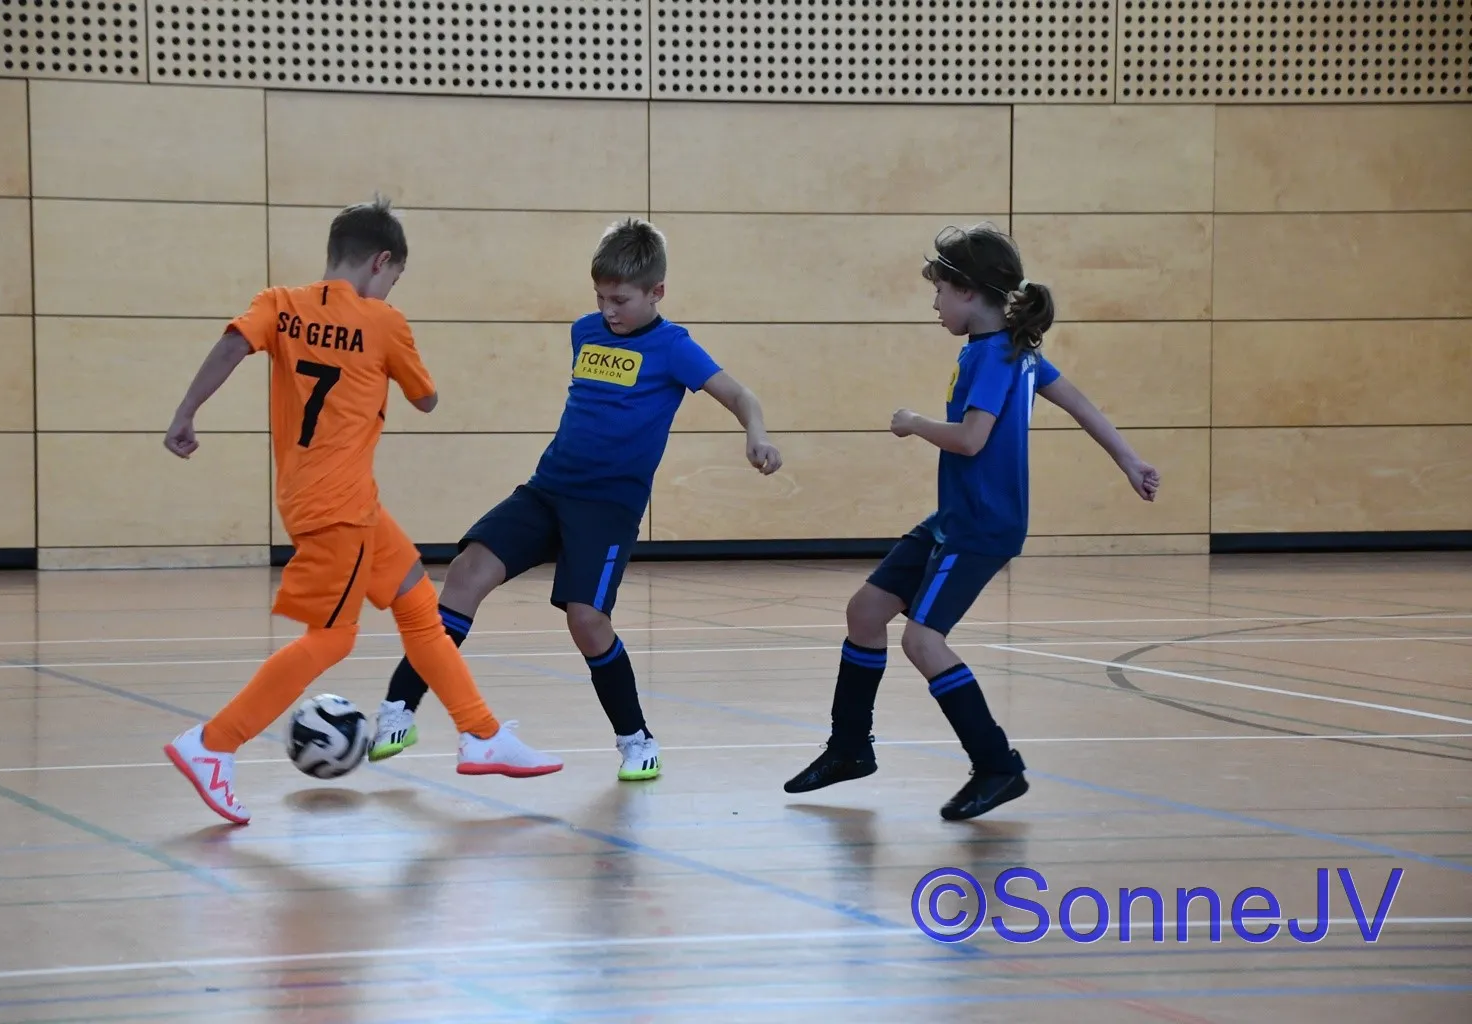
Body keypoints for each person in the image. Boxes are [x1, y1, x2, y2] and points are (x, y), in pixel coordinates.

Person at [161, 198, 562, 825]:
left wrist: (186, 413)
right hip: (339, 507)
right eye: (395, 276)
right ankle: (213, 743)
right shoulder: (383, 321)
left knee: (419, 608)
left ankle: (481, 734)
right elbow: (426, 399)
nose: (392, 287)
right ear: (381, 262)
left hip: (326, 499)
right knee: (331, 638)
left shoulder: (278, 303)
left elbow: (231, 345)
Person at [369, 217, 783, 782]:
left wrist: (756, 433)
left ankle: (637, 740)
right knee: (465, 573)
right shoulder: (585, 333)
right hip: (549, 489)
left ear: (657, 292)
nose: (609, 310)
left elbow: (739, 394)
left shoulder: (674, 348)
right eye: (600, 297)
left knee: (587, 620)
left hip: (608, 507)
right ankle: (399, 708)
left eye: (621, 300)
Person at [783, 223, 1160, 821]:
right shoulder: (1012, 349)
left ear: (967, 291)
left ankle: (997, 765)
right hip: (955, 517)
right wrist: (1129, 460)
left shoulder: (994, 355)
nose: (934, 304)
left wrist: (914, 423)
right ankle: (849, 748)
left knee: (923, 640)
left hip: (982, 525)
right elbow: (1081, 404)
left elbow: (970, 439)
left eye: (938, 291)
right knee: (866, 612)